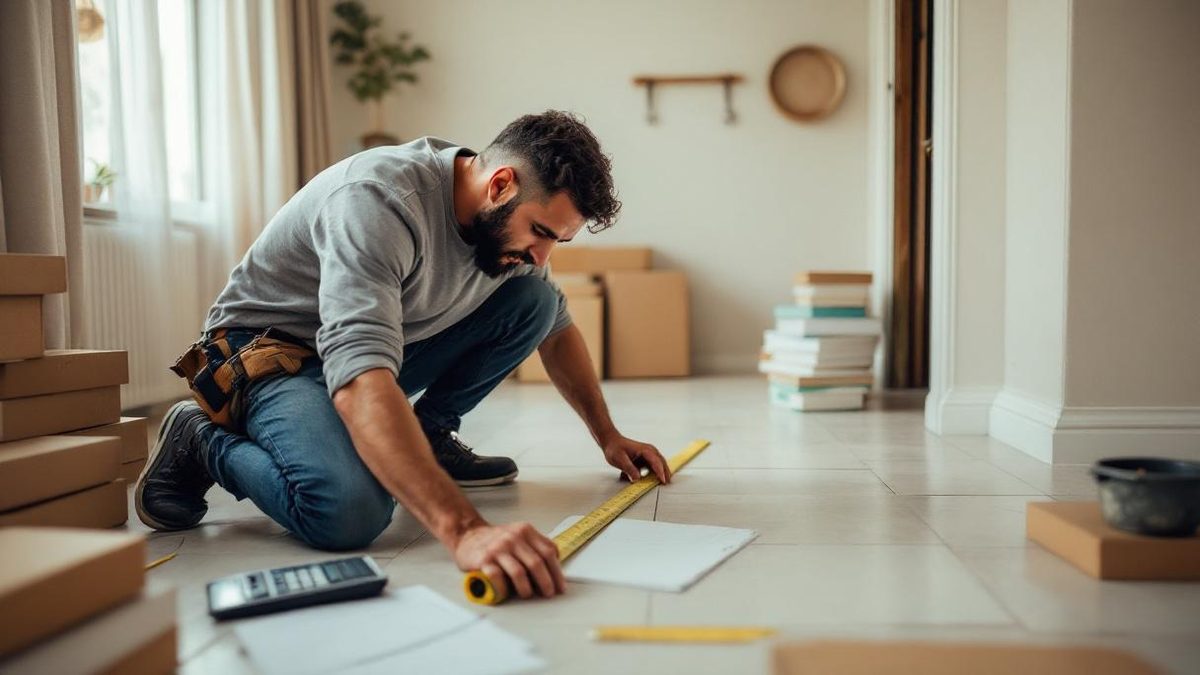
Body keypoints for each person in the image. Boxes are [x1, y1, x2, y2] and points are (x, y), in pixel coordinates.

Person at [133, 111, 670, 601]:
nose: (541, 254)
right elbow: (360, 375)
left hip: (364, 350)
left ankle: (429, 438)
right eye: (541, 233)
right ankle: (200, 439)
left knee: (534, 301)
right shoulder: (378, 200)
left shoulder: (504, 230)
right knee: (350, 514)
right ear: (501, 185)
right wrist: (466, 531)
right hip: (269, 356)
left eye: (558, 241)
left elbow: (554, 330)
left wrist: (608, 435)